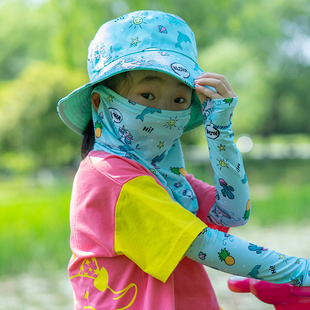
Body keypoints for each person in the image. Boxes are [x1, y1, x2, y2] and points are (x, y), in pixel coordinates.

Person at [57, 10, 310, 310]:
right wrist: (300, 272)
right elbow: (204, 244)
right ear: (100, 102)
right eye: (147, 95)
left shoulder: (166, 178)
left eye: (178, 100)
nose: (163, 111)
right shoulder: (109, 176)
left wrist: (220, 131)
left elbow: (232, 212)